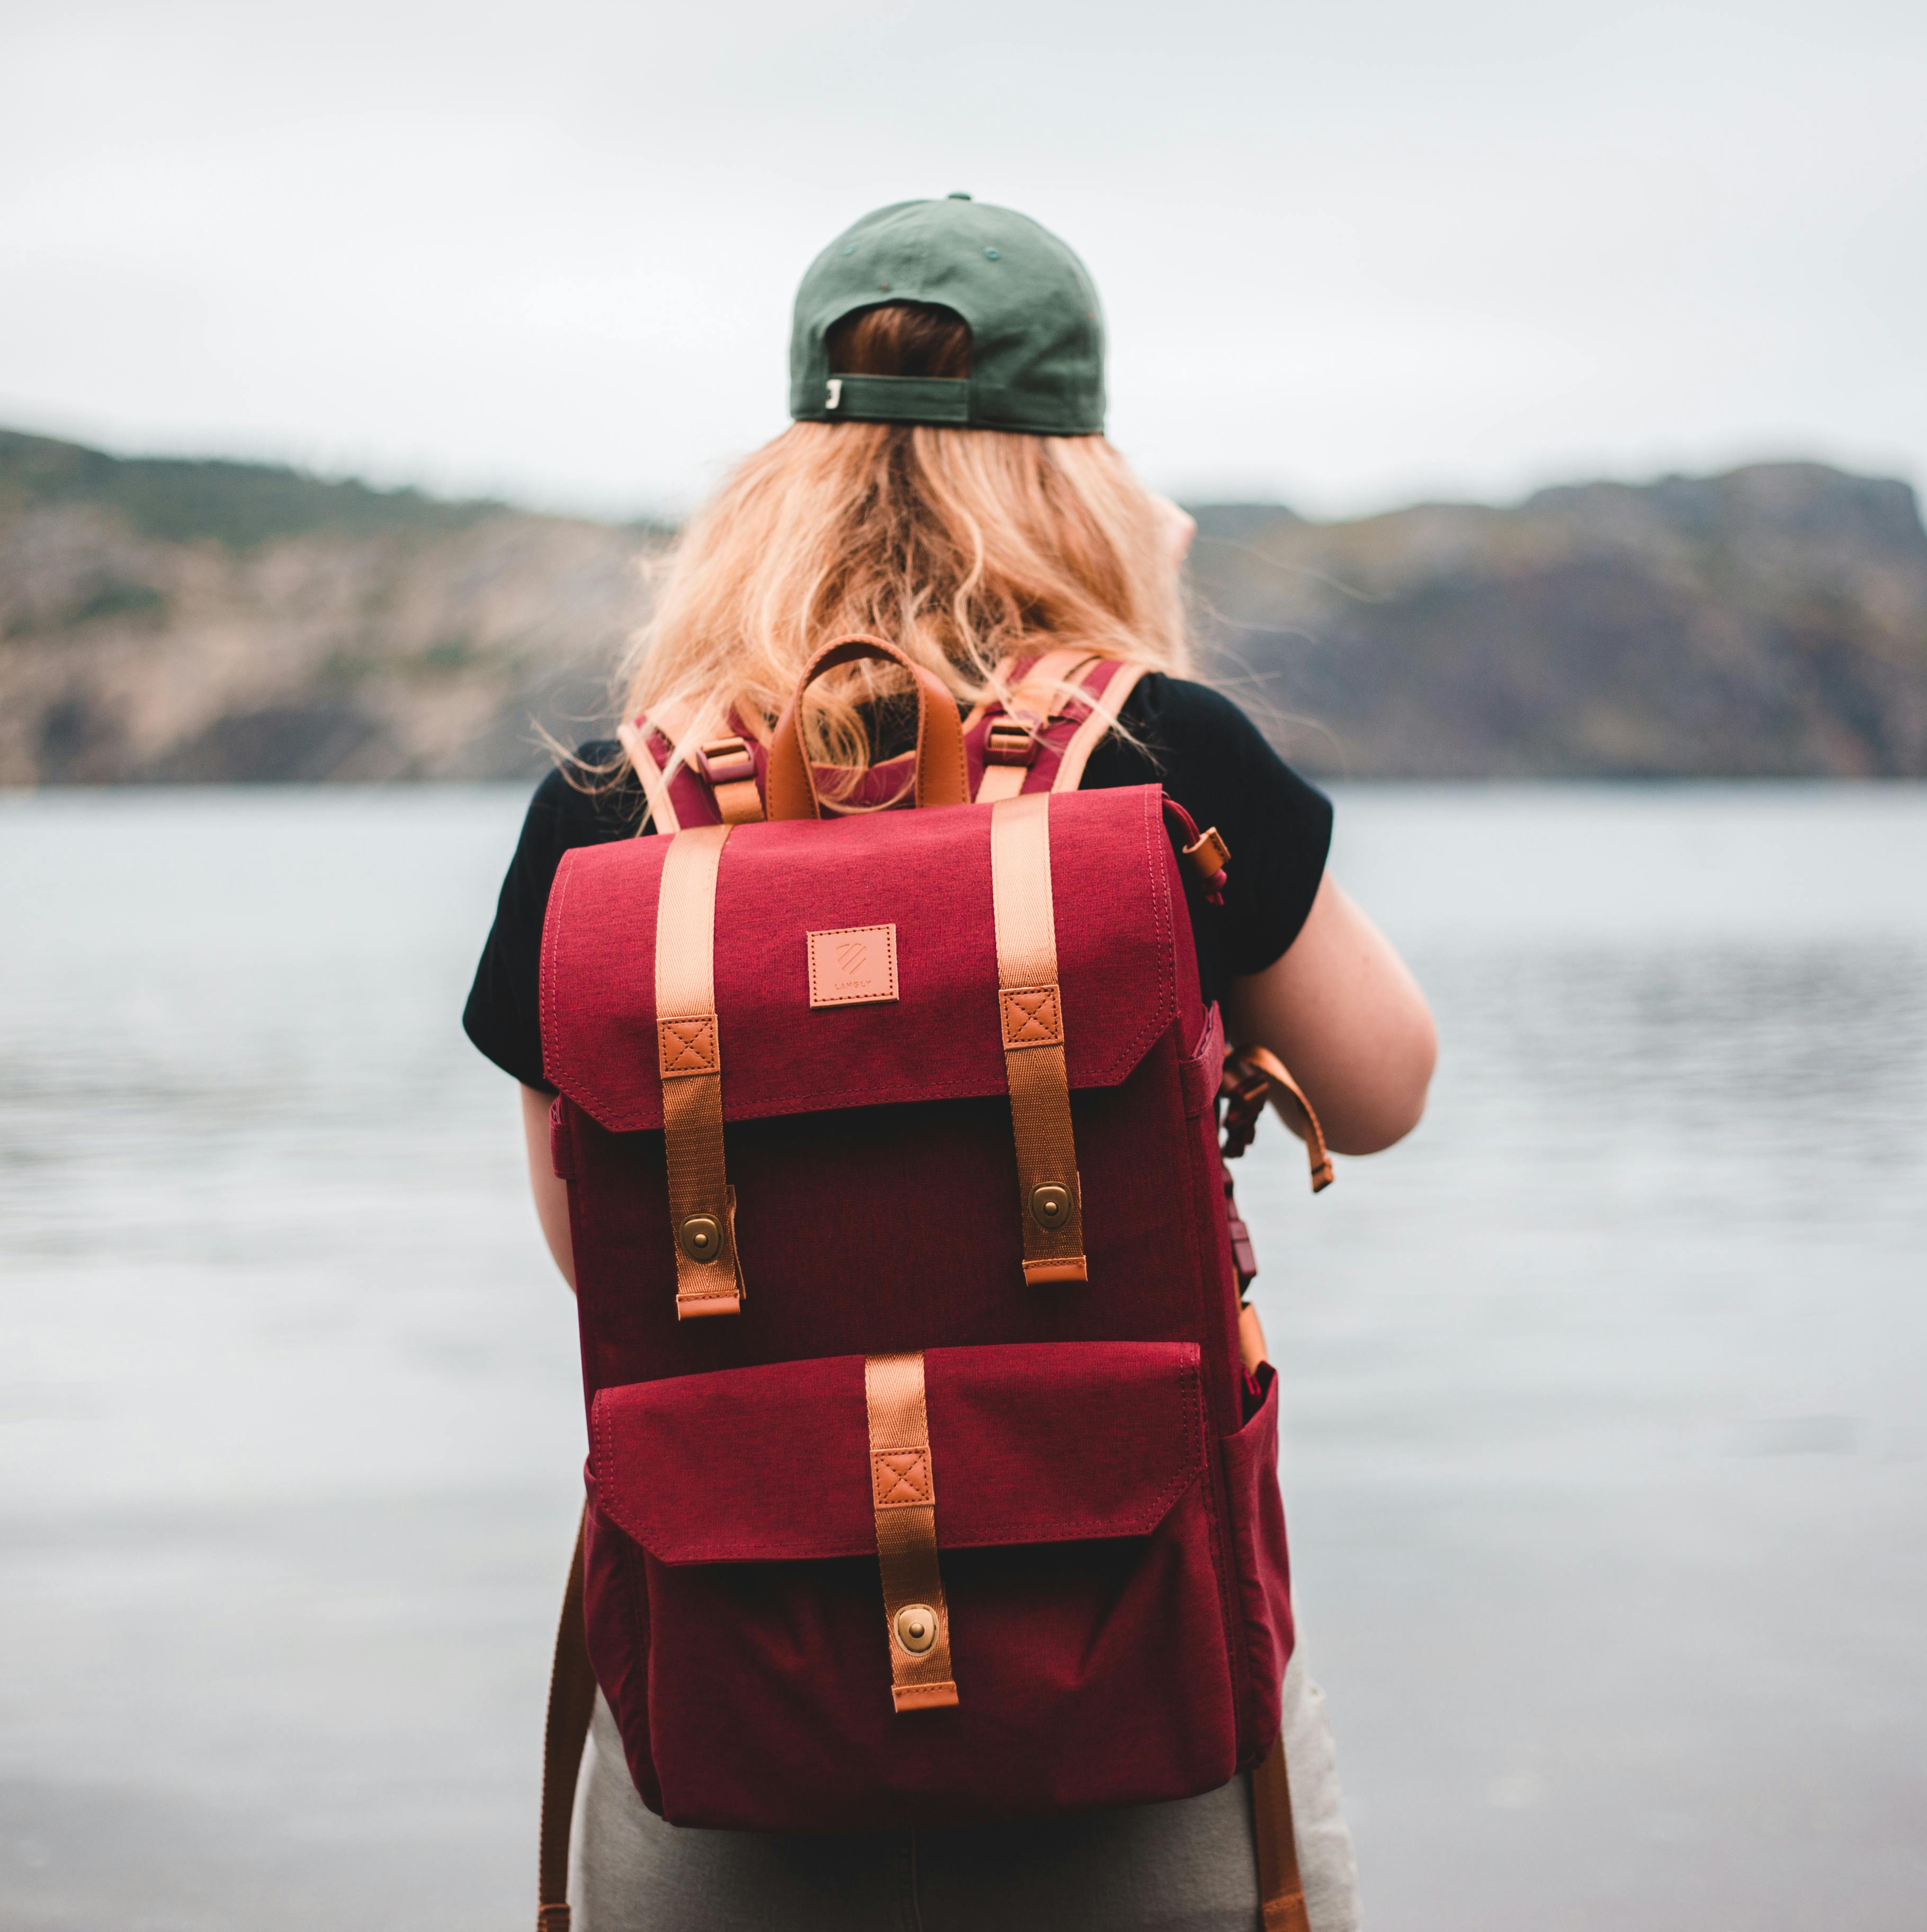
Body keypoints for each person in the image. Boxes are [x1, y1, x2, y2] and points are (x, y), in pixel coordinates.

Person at [462, 194, 1435, 1932]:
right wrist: (1148, 654)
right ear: (1084, 475)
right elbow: (1384, 1091)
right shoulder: (1164, 754)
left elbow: (588, 1250)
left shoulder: (615, 807)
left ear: (781, 475)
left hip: (730, 1707)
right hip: (1136, 1695)